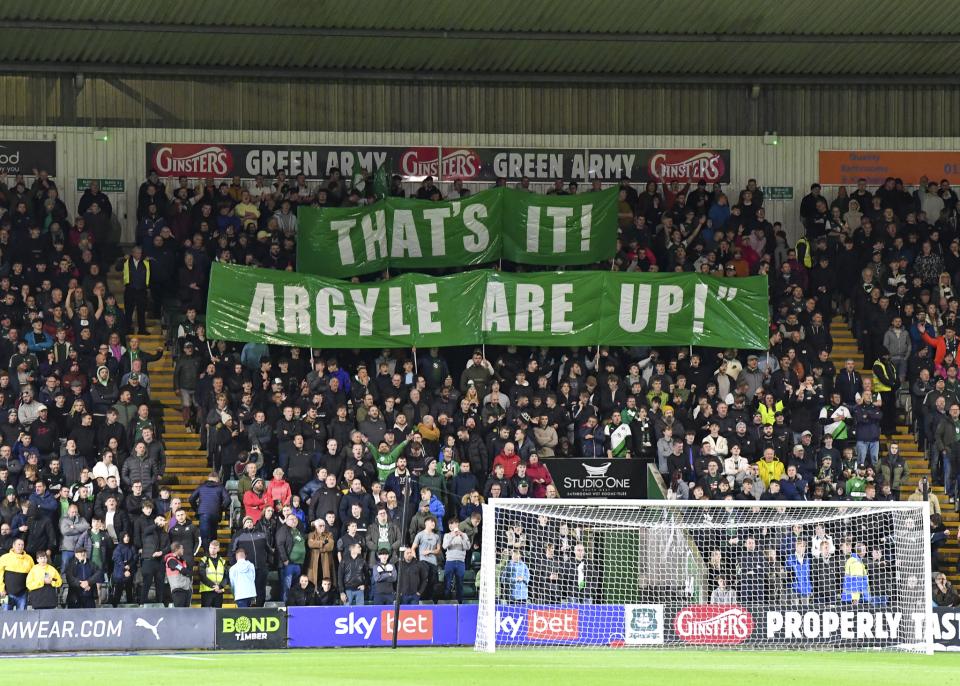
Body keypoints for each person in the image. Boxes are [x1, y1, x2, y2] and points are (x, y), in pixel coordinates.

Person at [442, 517, 470, 603]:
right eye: (453, 524)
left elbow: (467, 547)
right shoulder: (447, 535)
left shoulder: (464, 535)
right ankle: (446, 602)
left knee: (460, 584)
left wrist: (462, 537)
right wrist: (452, 536)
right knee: (447, 583)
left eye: (457, 524)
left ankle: (460, 603)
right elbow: (444, 546)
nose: (455, 526)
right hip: (450, 561)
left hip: (461, 561)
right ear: (450, 526)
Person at [0, 538, 33, 611]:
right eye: (18, 544)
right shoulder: (4, 557)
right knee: (5, 616)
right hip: (5, 593)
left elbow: (33, 575)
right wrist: (1, 589)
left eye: (22, 545)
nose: (20, 546)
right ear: (13, 546)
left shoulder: (29, 559)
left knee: (22, 617)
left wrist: (30, 590)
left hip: (23, 594)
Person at [197, 539, 228, 608]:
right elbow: (202, 576)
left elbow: (226, 576)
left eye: (214, 548)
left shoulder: (223, 561)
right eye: (210, 547)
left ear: (218, 549)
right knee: (205, 614)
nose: (212, 550)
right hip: (207, 591)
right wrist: (214, 586)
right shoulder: (203, 560)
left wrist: (220, 587)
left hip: (219, 591)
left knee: (217, 614)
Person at [338, 541, 367, 606]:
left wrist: (365, 585)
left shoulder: (362, 561)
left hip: (359, 590)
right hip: (347, 590)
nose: (361, 548)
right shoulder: (344, 561)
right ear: (352, 548)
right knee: (346, 612)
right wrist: (342, 592)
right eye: (358, 547)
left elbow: (367, 575)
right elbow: (340, 577)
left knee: (361, 612)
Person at [164, 541, 192, 607]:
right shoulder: (171, 560)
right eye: (181, 548)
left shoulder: (181, 560)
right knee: (180, 612)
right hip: (178, 590)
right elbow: (182, 570)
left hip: (186, 589)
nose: (183, 550)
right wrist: (187, 572)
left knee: (185, 613)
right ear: (177, 549)